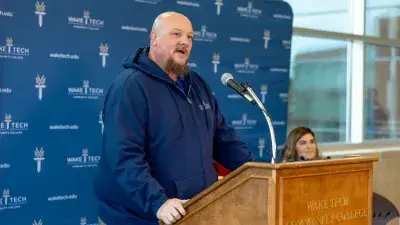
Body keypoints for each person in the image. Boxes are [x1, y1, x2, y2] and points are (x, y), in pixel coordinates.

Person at [93, 11, 254, 225]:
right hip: (140, 217)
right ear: (154, 38)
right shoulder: (130, 87)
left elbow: (222, 138)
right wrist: (158, 202)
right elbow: (123, 156)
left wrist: (257, 172)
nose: (184, 42)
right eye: (176, 34)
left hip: (192, 213)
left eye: (189, 37)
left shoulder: (197, 84)